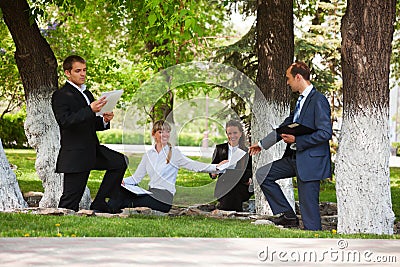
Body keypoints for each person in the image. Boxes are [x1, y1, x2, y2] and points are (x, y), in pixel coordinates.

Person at [249, 61, 332, 230]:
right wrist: (262, 144)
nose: (287, 82)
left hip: (310, 161)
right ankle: (288, 216)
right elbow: (286, 127)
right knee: (263, 174)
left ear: (298, 77)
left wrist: (298, 141)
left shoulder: (318, 100)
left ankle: (314, 241)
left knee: (309, 210)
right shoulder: (301, 101)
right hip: (294, 158)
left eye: (289, 78)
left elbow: (325, 133)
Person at [52, 55, 128, 213]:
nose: (82, 74)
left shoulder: (87, 94)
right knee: (70, 201)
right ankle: (59, 226)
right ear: (67, 73)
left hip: (92, 150)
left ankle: (100, 202)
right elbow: (65, 122)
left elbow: (90, 123)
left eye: (84, 70)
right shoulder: (61, 95)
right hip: (76, 154)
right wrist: (90, 110)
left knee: (120, 162)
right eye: (78, 71)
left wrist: (104, 121)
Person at [116, 120, 227, 213]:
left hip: (164, 198)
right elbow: (136, 178)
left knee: (129, 201)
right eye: (160, 132)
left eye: (167, 132)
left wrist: (216, 167)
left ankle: (110, 208)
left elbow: (194, 165)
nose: (165, 135)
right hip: (150, 193)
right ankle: (106, 207)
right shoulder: (148, 155)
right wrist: (121, 181)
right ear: (153, 134)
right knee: (120, 191)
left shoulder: (174, 153)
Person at [210, 120, 253, 212]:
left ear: (241, 133)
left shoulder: (247, 151)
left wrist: (249, 179)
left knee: (234, 189)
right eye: (229, 133)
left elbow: (250, 171)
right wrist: (214, 172)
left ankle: (226, 211)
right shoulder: (220, 149)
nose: (232, 136)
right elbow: (212, 170)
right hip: (224, 184)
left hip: (240, 185)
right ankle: (232, 212)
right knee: (228, 188)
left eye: (235, 133)